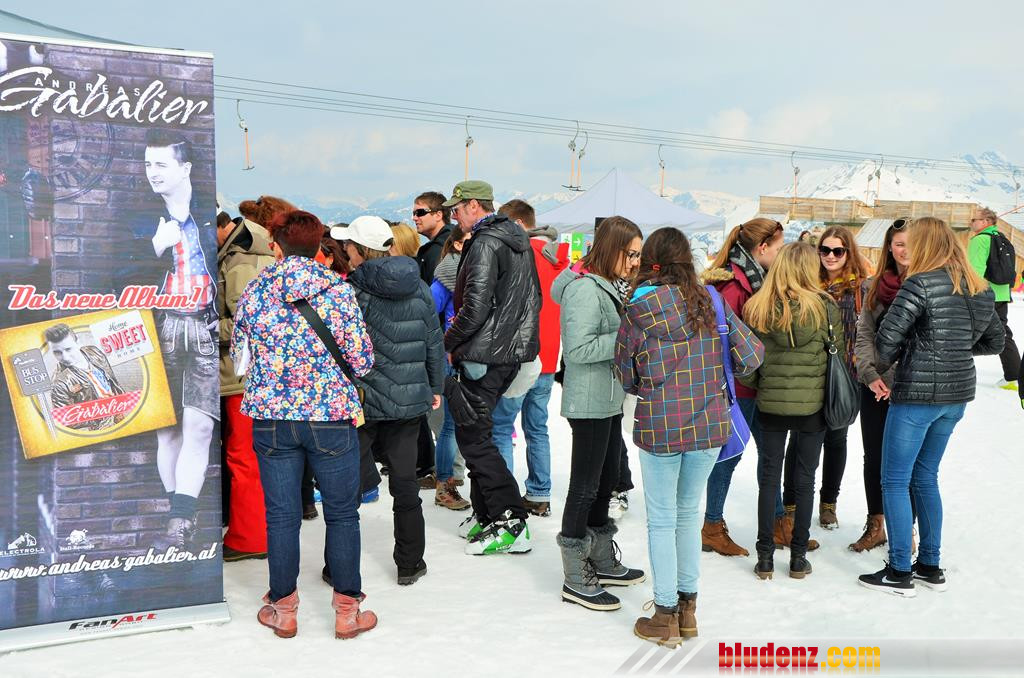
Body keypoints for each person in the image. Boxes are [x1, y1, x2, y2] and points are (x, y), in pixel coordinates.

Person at [231, 209, 377, 639]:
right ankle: (347, 611)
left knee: (280, 516)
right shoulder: (338, 290)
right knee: (343, 514)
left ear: (276, 245)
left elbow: (240, 361)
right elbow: (362, 361)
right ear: (318, 247)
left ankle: (284, 609)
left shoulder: (256, 289)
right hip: (330, 415)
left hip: (272, 417)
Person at [616, 228, 764, 646]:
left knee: (663, 518)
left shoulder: (636, 308)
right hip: (709, 425)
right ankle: (687, 610)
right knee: (686, 514)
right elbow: (752, 355)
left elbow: (625, 374)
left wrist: (652, 383)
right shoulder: (711, 301)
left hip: (660, 425)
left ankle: (664, 615)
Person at [859, 217, 1003, 596]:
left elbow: (885, 343)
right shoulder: (979, 287)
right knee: (926, 477)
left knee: (895, 480)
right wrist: (952, 349)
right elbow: (995, 342)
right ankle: (929, 565)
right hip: (955, 398)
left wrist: (920, 351)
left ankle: (899, 570)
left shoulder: (919, 283)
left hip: (916, 397)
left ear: (926, 244)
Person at [330, 215, 445, 585]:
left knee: (346, 490)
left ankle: (339, 567)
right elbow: (433, 341)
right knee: (405, 486)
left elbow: (340, 350)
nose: (345, 250)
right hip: (408, 399)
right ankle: (410, 564)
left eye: (348, 245)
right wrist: (435, 386)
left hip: (362, 402)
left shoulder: (351, 290)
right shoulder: (419, 286)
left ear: (361, 250)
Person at [122, 128, 218, 551]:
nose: (152, 172)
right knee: (167, 430)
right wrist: (154, 248)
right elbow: (118, 279)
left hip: (203, 326)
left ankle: (179, 522)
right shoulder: (140, 217)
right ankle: (179, 516)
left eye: (161, 164)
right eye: (148, 164)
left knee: (200, 426)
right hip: (160, 326)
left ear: (185, 168)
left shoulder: (210, 215)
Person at [550, 216, 646, 611]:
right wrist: (625, 337)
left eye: (638, 255)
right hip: (589, 400)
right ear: (612, 249)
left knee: (606, 482)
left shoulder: (608, 285)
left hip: (607, 397)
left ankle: (600, 558)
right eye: (631, 254)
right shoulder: (585, 290)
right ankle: (576, 575)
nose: (635, 262)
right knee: (585, 486)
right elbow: (578, 350)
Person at [442, 180, 541, 555]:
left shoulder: (485, 242)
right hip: (505, 352)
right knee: (477, 434)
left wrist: (448, 343)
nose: (454, 216)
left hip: (484, 354)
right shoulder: (516, 239)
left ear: (473, 205)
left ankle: (510, 521)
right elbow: (532, 298)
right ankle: (487, 514)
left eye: (456, 209)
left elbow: (475, 306)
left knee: (474, 438)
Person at [740, 242, 841, 581]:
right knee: (805, 479)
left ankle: (765, 557)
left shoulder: (758, 306)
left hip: (769, 403)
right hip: (812, 406)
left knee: (769, 477)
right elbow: (837, 357)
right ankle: (798, 558)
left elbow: (749, 362)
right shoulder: (825, 307)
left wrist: (761, 384)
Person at [699, 217, 786, 556]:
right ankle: (712, 525)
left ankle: (777, 521)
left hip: (755, 385)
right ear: (762, 248)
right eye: (778, 248)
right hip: (738, 388)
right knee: (730, 455)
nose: (780, 254)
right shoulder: (735, 287)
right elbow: (726, 342)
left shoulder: (754, 279)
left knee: (770, 454)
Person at [785, 227, 869, 531]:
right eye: (825, 250)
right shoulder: (806, 282)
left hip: (845, 374)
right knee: (799, 439)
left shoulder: (860, 287)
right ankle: (790, 504)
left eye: (838, 251)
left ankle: (828, 503)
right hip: (810, 372)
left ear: (848, 253)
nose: (831, 256)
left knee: (836, 439)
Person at [490, 199, 570, 517]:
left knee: (501, 426)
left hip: (518, 357)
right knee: (537, 428)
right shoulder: (559, 259)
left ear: (518, 225)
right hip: (549, 357)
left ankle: (504, 499)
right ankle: (539, 494)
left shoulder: (517, 255)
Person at [217, 201, 277, 561]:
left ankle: (249, 537)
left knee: (244, 456)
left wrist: (202, 326)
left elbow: (247, 320)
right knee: (248, 455)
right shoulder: (246, 248)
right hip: (249, 371)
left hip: (241, 372)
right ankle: (251, 531)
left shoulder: (241, 258)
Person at [851, 218, 909, 552]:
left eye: (911, 244)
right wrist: (870, 375)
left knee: (906, 461)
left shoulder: (928, 285)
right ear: (889, 246)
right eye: (899, 244)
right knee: (873, 457)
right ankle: (876, 524)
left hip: (910, 386)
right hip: (873, 386)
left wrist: (890, 377)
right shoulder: (873, 286)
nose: (905, 250)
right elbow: (864, 333)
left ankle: (906, 529)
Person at [431, 229, 472, 511]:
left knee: (464, 423)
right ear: (457, 243)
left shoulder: (478, 269)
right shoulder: (447, 273)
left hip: (474, 355)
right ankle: (444, 484)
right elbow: (427, 311)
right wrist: (442, 344)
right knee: (450, 424)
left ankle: (450, 479)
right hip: (452, 357)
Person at [966, 207, 1019, 390]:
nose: (971, 223)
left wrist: (968, 294)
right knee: (1002, 332)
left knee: (961, 330)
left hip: (984, 294)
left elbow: (974, 271)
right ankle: (1014, 375)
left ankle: (1014, 376)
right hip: (1002, 294)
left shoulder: (980, 240)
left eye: (974, 220)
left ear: (986, 222)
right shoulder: (1002, 239)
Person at [44, 323, 125, 430]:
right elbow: (66, 420)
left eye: (68, 349)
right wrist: (102, 415)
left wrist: (120, 402)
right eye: (57, 352)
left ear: (78, 343)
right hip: (101, 425)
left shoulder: (94, 352)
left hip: (120, 408)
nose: (65, 357)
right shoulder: (59, 382)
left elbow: (111, 380)